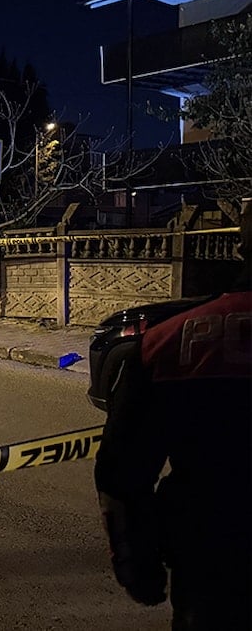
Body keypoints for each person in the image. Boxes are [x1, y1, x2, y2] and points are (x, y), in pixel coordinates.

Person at [94, 201, 251, 630]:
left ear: (240, 247)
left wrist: (137, 564)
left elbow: (121, 472)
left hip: (211, 561)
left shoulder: (165, 343)